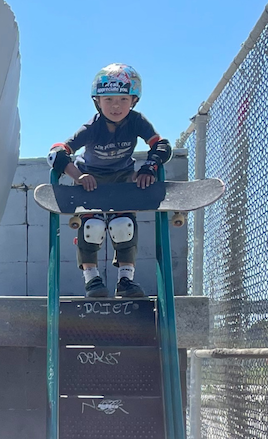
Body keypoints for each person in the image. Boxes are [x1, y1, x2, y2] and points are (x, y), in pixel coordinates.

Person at [47, 63, 173, 298]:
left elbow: (162, 145)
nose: (116, 106)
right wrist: (79, 176)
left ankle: (125, 280)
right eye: (109, 100)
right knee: (92, 227)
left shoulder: (137, 122)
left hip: (122, 180)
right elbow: (56, 153)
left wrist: (148, 168)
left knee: (122, 225)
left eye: (123, 100)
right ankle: (92, 279)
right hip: (91, 182)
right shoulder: (92, 127)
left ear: (134, 100)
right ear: (98, 102)